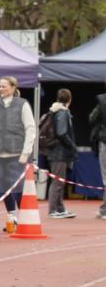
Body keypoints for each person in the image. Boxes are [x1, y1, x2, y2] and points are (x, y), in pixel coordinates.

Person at [0, 75, 36, 230]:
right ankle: (12, 216)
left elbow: (30, 128)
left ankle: (24, 216)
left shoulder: (22, 104)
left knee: (18, 187)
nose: (0, 89)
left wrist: (26, 151)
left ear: (13, 87)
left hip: (18, 153)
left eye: (4, 86)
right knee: (4, 187)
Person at [46, 88, 78, 218]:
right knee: (57, 182)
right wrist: (72, 145)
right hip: (59, 152)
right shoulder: (62, 113)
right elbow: (61, 133)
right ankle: (53, 210)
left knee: (59, 182)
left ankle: (60, 209)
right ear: (69, 100)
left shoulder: (56, 111)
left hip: (55, 151)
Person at [89, 86, 106, 220]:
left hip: (105, 142)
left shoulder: (102, 101)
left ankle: (104, 210)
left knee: (105, 176)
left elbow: (91, 118)